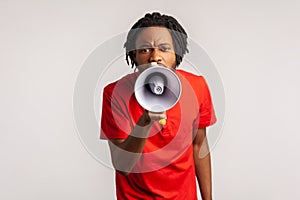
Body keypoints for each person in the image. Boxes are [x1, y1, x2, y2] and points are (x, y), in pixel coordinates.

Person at [100, 12, 216, 200]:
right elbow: (122, 166)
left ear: (176, 52)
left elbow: (198, 146)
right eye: (145, 49)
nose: (155, 57)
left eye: (164, 48)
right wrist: (145, 122)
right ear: (134, 55)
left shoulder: (197, 87)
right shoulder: (114, 93)